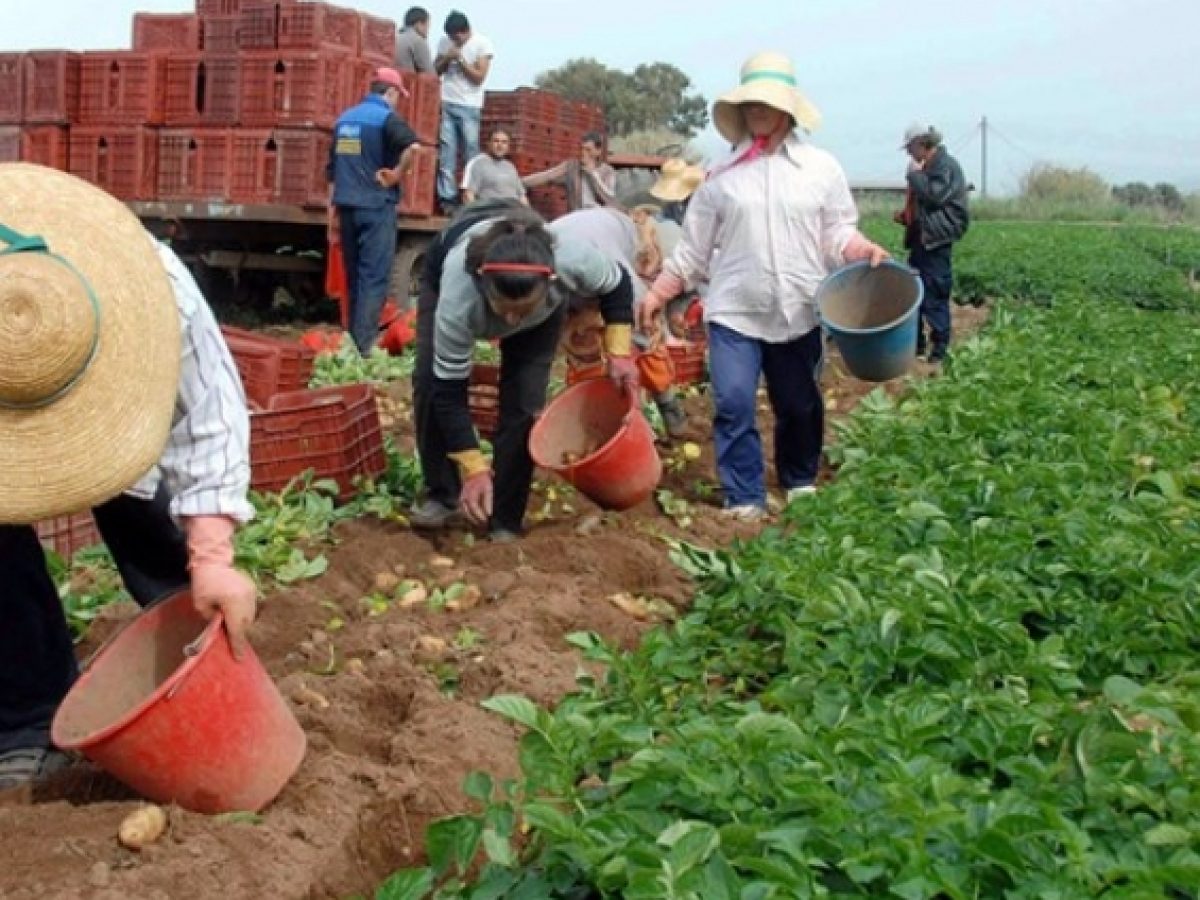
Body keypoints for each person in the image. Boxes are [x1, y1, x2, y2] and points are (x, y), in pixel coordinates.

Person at [0, 163, 257, 790]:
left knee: (145, 511)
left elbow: (210, 415)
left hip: (118, 398)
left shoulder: (151, 283)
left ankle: (203, 661)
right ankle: (30, 716)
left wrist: (212, 555)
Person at [638, 51, 889, 522]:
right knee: (732, 401)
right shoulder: (719, 177)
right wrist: (659, 292)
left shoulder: (820, 169)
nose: (757, 109)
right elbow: (693, 250)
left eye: (766, 102)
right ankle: (744, 494)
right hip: (735, 309)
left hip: (798, 308)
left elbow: (836, 233)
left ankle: (798, 479)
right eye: (750, 102)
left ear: (786, 109)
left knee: (798, 404)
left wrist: (860, 249)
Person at [410, 204, 636, 540]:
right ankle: (442, 495)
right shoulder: (460, 297)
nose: (512, 322)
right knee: (429, 383)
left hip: (543, 316)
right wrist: (473, 468)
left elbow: (617, 285)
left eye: (523, 310)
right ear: (484, 285)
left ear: (553, 281)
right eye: (504, 310)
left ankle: (505, 521)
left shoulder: (571, 258)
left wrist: (619, 353)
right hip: (450, 258)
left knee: (523, 404)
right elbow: (449, 392)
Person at [550, 205, 689, 437]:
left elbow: (641, 315)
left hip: (599, 266)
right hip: (565, 278)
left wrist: (622, 356)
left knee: (648, 339)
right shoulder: (536, 273)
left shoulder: (616, 269)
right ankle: (601, 419)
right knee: (583, 346)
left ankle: (668, 408)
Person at [328, 66, 421, 355]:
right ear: (390, 92)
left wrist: (330, 211)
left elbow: (332, 170)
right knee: (374, 277)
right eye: (398, 96)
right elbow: (413, 148)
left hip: (346, 207)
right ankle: (364, 346)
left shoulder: (344, 120)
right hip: (375, 207)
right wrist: (396, 174)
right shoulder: (386, 118)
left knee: (354, 276)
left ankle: (353, 339)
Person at [897, 123, 969, 362]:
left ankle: (939, 349)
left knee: (935, 291)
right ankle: (916, 344)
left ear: (922, 144)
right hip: (924, 238)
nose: (909, 153)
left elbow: (935, 196)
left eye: (910, 148)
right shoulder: (929, 166)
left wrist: (914, 175)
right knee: (914, 290)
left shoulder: (945, 166)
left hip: (936, 240)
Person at [434, 11, 494, 214]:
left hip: (469, 105)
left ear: (464, 32)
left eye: (456, 37)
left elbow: (479, 78)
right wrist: (446, 58)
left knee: (470, 152)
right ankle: (447, 198)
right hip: (447, 101)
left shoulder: (482, 44)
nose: (453, 40)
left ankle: (471, 196)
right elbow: (435, 70)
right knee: (447, 152)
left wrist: (460, 60)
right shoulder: (445, 43)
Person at [521, 132, 617, 212]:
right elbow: (548, 176)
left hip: (598, 218)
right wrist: (519, 183)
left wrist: (593, 174)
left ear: (598, 151)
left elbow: (609, 198)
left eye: (588, 150)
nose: (583, 153)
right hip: (576, 217)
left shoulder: (607, 171)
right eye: (582, 149)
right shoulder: (572, 166)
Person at [461, 129, 527, 205]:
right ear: (488, 143)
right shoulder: (478, 164)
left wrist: (528, 214)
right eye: (496, 141)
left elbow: (522, 196)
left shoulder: (510, 167)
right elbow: (468, 195)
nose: (500, 145)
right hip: (492, 213)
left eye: (504, 142)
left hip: (513, 212)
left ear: (508, 146)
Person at [393, 6, 433, 74]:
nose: (427, 31)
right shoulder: (418, 41)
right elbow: (430, 76)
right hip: (407, 82)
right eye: (427, 26)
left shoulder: (394, 38)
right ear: (419, 24)